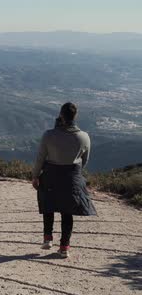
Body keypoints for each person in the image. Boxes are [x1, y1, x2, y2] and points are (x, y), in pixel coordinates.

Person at [32, 102, 97, 258]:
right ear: (76, 116)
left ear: (60, 115)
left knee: (49, 204)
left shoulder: (49, 135)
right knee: (67, 212)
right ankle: (64, 247)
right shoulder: (84, 136)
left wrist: (35, 175)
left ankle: (47, 238)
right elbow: (84, 160)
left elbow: (40, 157)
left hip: (51, 174)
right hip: (72, 175)